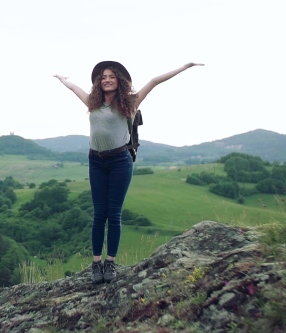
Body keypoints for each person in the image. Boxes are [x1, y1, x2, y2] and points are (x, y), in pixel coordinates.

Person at [54, 61, 204, 283]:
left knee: (113, 213)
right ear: (98, 81)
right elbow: (73, 88)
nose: (106, 79)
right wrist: (62, 79)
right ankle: (96, 264)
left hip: (119, 161)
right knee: (98, 214)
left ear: (119, 81)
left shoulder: (130, 102)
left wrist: (184, 67)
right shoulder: (92, 102)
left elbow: (154, 81)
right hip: (95, 160)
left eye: (111, 76)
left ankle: (110, 263)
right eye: (103, 77)